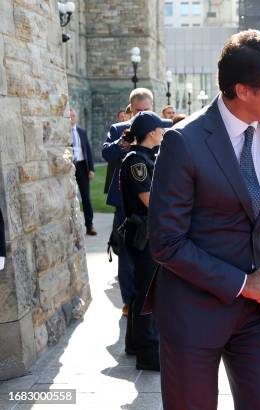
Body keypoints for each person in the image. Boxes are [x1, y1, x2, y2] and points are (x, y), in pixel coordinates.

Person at [147, 29, 260, 410]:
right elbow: (166, 242)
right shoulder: (184, 142)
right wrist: (240, 283)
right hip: (192, 311)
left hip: (258, 315)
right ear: (243, 90)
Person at [118, 111, 171, 371]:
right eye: (161, 128)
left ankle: (134, 343)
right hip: (143, 235)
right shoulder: (136, 161)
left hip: (148, 233)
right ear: (151, 132)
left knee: (144, 290)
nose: (163, 132)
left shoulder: (148, 158)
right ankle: (148, 353)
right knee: (147, 293)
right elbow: (149, 200)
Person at [102, 88, 153, 334]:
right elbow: (106, 152)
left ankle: (147, 299)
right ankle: (128, 301)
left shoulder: (157, 131)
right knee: (126, 249)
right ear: (130, 109)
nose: (142, 114)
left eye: (146, 110)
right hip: (126, 199)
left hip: (149, 198)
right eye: (138, 110)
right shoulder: (118, 129)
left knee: (148, 251)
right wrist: (124, 141)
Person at [70, 108, 96, 236]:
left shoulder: (82, 132)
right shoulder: (63, 133)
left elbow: (88, 151)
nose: (72, 118)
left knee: (86, 197)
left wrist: (91, 169)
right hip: (69, 167)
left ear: (77, 117)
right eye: (69, 116)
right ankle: (71, 227)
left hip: (82, 167)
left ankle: (89, 225)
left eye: (73, 116)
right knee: (69, 197)